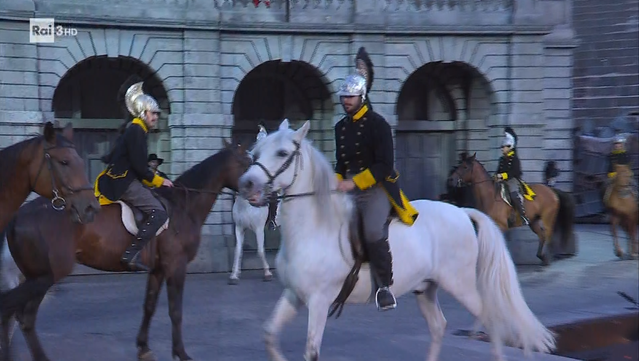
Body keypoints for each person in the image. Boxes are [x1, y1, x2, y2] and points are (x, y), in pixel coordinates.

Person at [334, 47, 419, 312]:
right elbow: (341, 162)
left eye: (350, 97)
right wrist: (336, 181)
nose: (345, 101)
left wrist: (353, 182)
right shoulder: (340, 127)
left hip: (377, 186)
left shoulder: (378, 124)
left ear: (361, 96)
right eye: (343, 97)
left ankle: (384, 286)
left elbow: (384, 165)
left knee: (372, 230)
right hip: (348, 186)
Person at [94, 82, 174, 272]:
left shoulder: (135, 130)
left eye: (156, 114)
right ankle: (131, 254)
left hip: (121, 178)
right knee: (160, 212)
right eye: (153, 113)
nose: (156, 117)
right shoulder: (137, 131)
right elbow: (140, 167)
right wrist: (161, 181)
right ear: (143, 113)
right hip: (125, 182)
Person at [495, 127, 529, 225]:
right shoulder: (501, 159)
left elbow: (514, 172)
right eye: (502, 147)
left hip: (512, 180)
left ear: (509, 146)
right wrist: (496, 177)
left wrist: (503, 176)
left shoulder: (514, 158)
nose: (502, 149)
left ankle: (523, 215)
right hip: (502, 180)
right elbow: (498, 171)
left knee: (513, 193)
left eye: (504, 147)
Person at [256, 122, 279, 230]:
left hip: (267, 181)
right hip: (256, 180)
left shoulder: (271, 155)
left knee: (273, 196)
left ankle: (271, 220)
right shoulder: (255, 154)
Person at [604, 134, 637, 203]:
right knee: (606, 186)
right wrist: (612, 174)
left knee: (634, 184)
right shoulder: (611, 155)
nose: (617, 145)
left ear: (622, 145)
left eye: (619, 144)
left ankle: (636, 200)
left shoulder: (626, 154)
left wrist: (628, 173)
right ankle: (606, 202)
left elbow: (628, 165)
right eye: (616, 144)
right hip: (614, 175)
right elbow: (609, 166)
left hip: (625, 174)